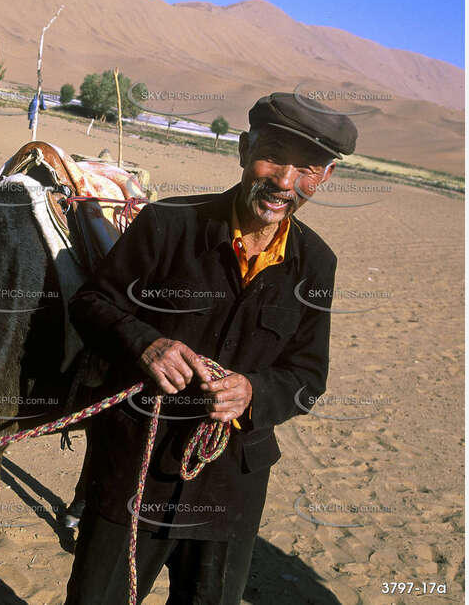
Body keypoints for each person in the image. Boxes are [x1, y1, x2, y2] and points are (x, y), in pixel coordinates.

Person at [64, 92, 357, 604]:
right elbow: (91, 303)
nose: (284, 182)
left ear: (324, 177)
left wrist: (253, 392)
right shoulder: (168, 225)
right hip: (134, 471)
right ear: (244, 150)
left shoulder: (316, 264)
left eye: (306, 168)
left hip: (231, 491)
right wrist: (145, 343)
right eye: (273, 157)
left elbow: (308, 376)